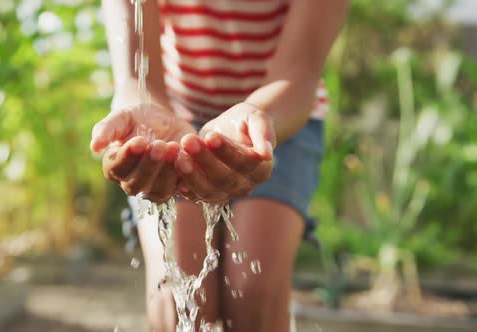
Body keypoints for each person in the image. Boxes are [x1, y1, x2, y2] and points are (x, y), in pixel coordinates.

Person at [90, 0, 349, 331]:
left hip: (279, 120)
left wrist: (261, 116)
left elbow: (297, 74)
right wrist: (139, 104)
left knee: (254, 292)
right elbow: (138, 77)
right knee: (175, 293)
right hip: (169, 119)